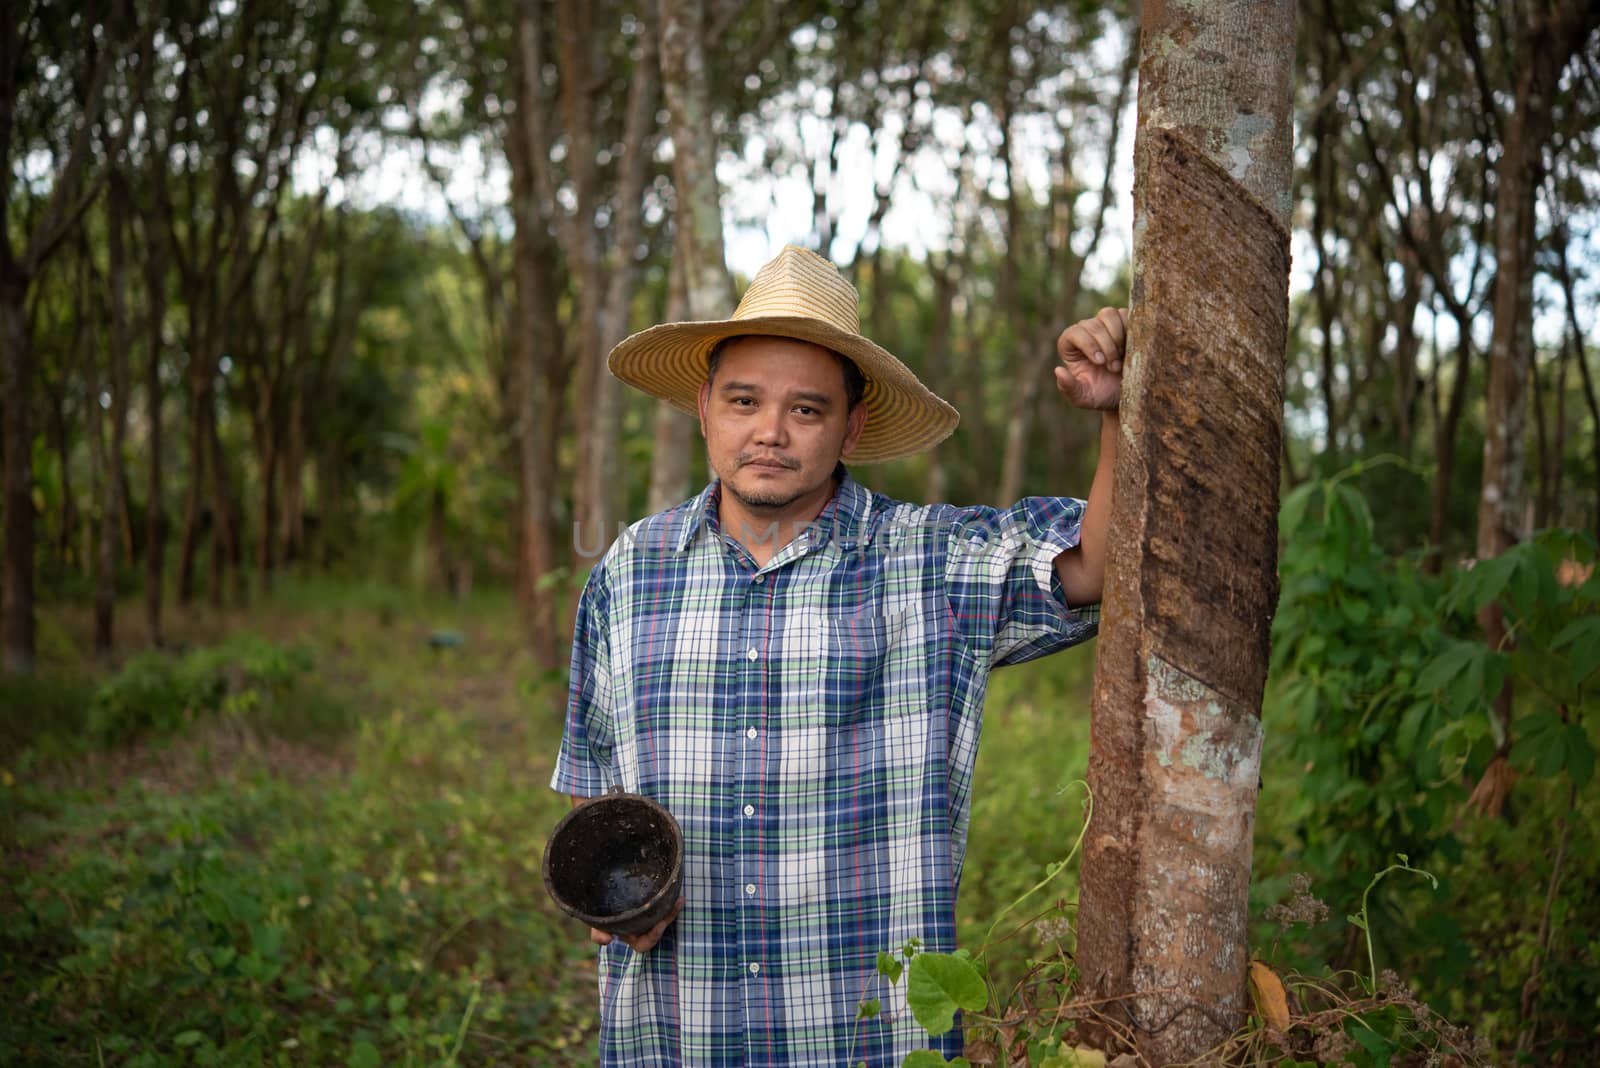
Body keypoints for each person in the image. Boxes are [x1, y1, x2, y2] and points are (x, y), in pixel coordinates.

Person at [552, 245, 1126, 1067]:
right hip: (673, 1037)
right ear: (704, 408)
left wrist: (1115, 410)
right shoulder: (629, 571)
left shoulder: (928, 563)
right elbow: (590, 799)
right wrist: (615, 902)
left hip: (860, 1040)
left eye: (807, 410)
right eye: (744, 400)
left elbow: (1094, 567)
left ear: (852, 426)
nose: (770, 433)